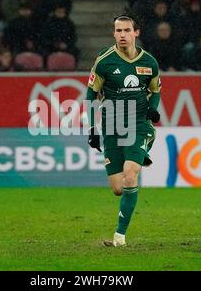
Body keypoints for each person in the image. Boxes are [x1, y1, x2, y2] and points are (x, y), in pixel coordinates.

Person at [86, 14, 161, 247]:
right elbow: (91, 95)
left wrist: (152, 110)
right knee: (119, 188)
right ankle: (135, 161)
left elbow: (155, 90)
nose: (122, 35)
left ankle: (120, 236)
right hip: (112, 126)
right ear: (114, 34)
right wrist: (92, 129)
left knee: (131, 174)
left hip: (138, 124)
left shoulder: (149, 62)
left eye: (126, 30)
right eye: (118, 31)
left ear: (135, 33)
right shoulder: (104, 61)